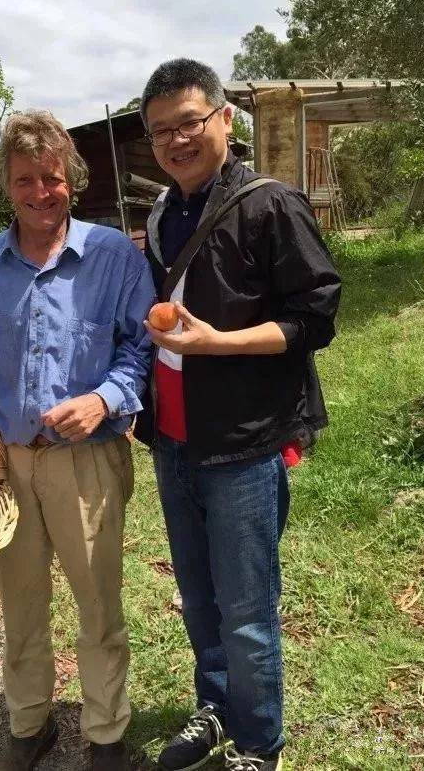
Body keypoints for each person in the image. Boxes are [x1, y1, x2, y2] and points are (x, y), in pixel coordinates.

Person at [0, 110, 155, 771]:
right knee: (20, 602)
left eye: (52, 178)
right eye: (25, 179)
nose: (40, 192)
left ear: (72, 180)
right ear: (6, 183)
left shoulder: (111, 257)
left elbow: (141, 347)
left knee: (99, 603)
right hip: (6, 461)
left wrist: (104, 397)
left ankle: (105, 733)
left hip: (87, 462)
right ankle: (30, 723)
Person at [134, 59, 341, 771]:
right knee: (199, 597)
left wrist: (219, 343)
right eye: (161, 130)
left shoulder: (271, 204)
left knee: (248, 610)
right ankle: (217, 705)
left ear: (226, 118)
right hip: (174, 439)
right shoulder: (164, 214)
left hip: (245, 444)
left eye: (190, 121)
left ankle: (260, 743)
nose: (176, 139)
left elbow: (316, 316)